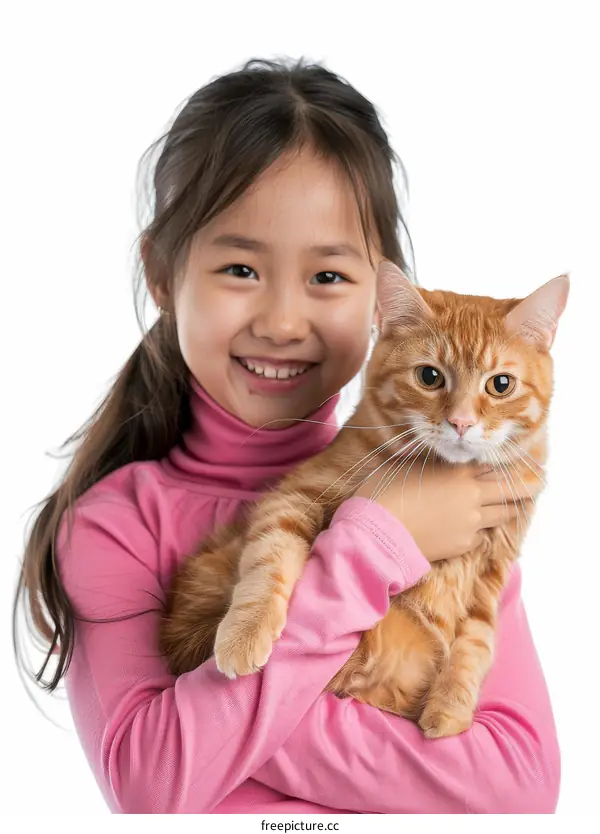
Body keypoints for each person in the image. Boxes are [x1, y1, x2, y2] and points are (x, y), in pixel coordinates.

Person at [14, 57, 560, 814]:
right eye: (240, 267)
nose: (280, 322)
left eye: (329, 277)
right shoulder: (118, 524)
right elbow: (151, 783)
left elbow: (520, 789)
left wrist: (216, 725)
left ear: (384, 299)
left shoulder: (451, 494)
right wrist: (373, 544)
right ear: (164, 277)